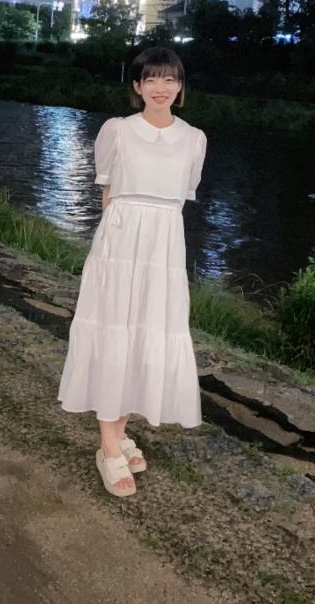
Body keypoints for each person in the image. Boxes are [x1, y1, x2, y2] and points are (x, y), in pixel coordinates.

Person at [57, 46, 207, 497]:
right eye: (151, 79)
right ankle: (108, 446)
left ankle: (120, 432)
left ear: (180, 87)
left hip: (164, 247)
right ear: (137, 86)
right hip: (121, 244)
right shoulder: (117, 131)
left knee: (145, 335)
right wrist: (110, 250)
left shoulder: (195, 139)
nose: (161, 88)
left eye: (170, 79)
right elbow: (108, 194)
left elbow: (178, 201)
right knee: (114, 332)